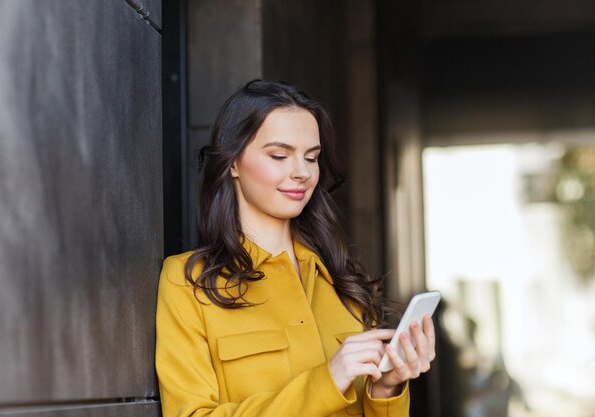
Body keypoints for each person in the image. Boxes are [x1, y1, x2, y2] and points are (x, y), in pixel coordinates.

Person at [155, 80, 436, 417]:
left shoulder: (344, 283)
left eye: (312, 158)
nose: (302, 172)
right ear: (232, 163)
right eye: (279, 155)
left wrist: (386, 387)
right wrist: (328, 380)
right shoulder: (188, 282)